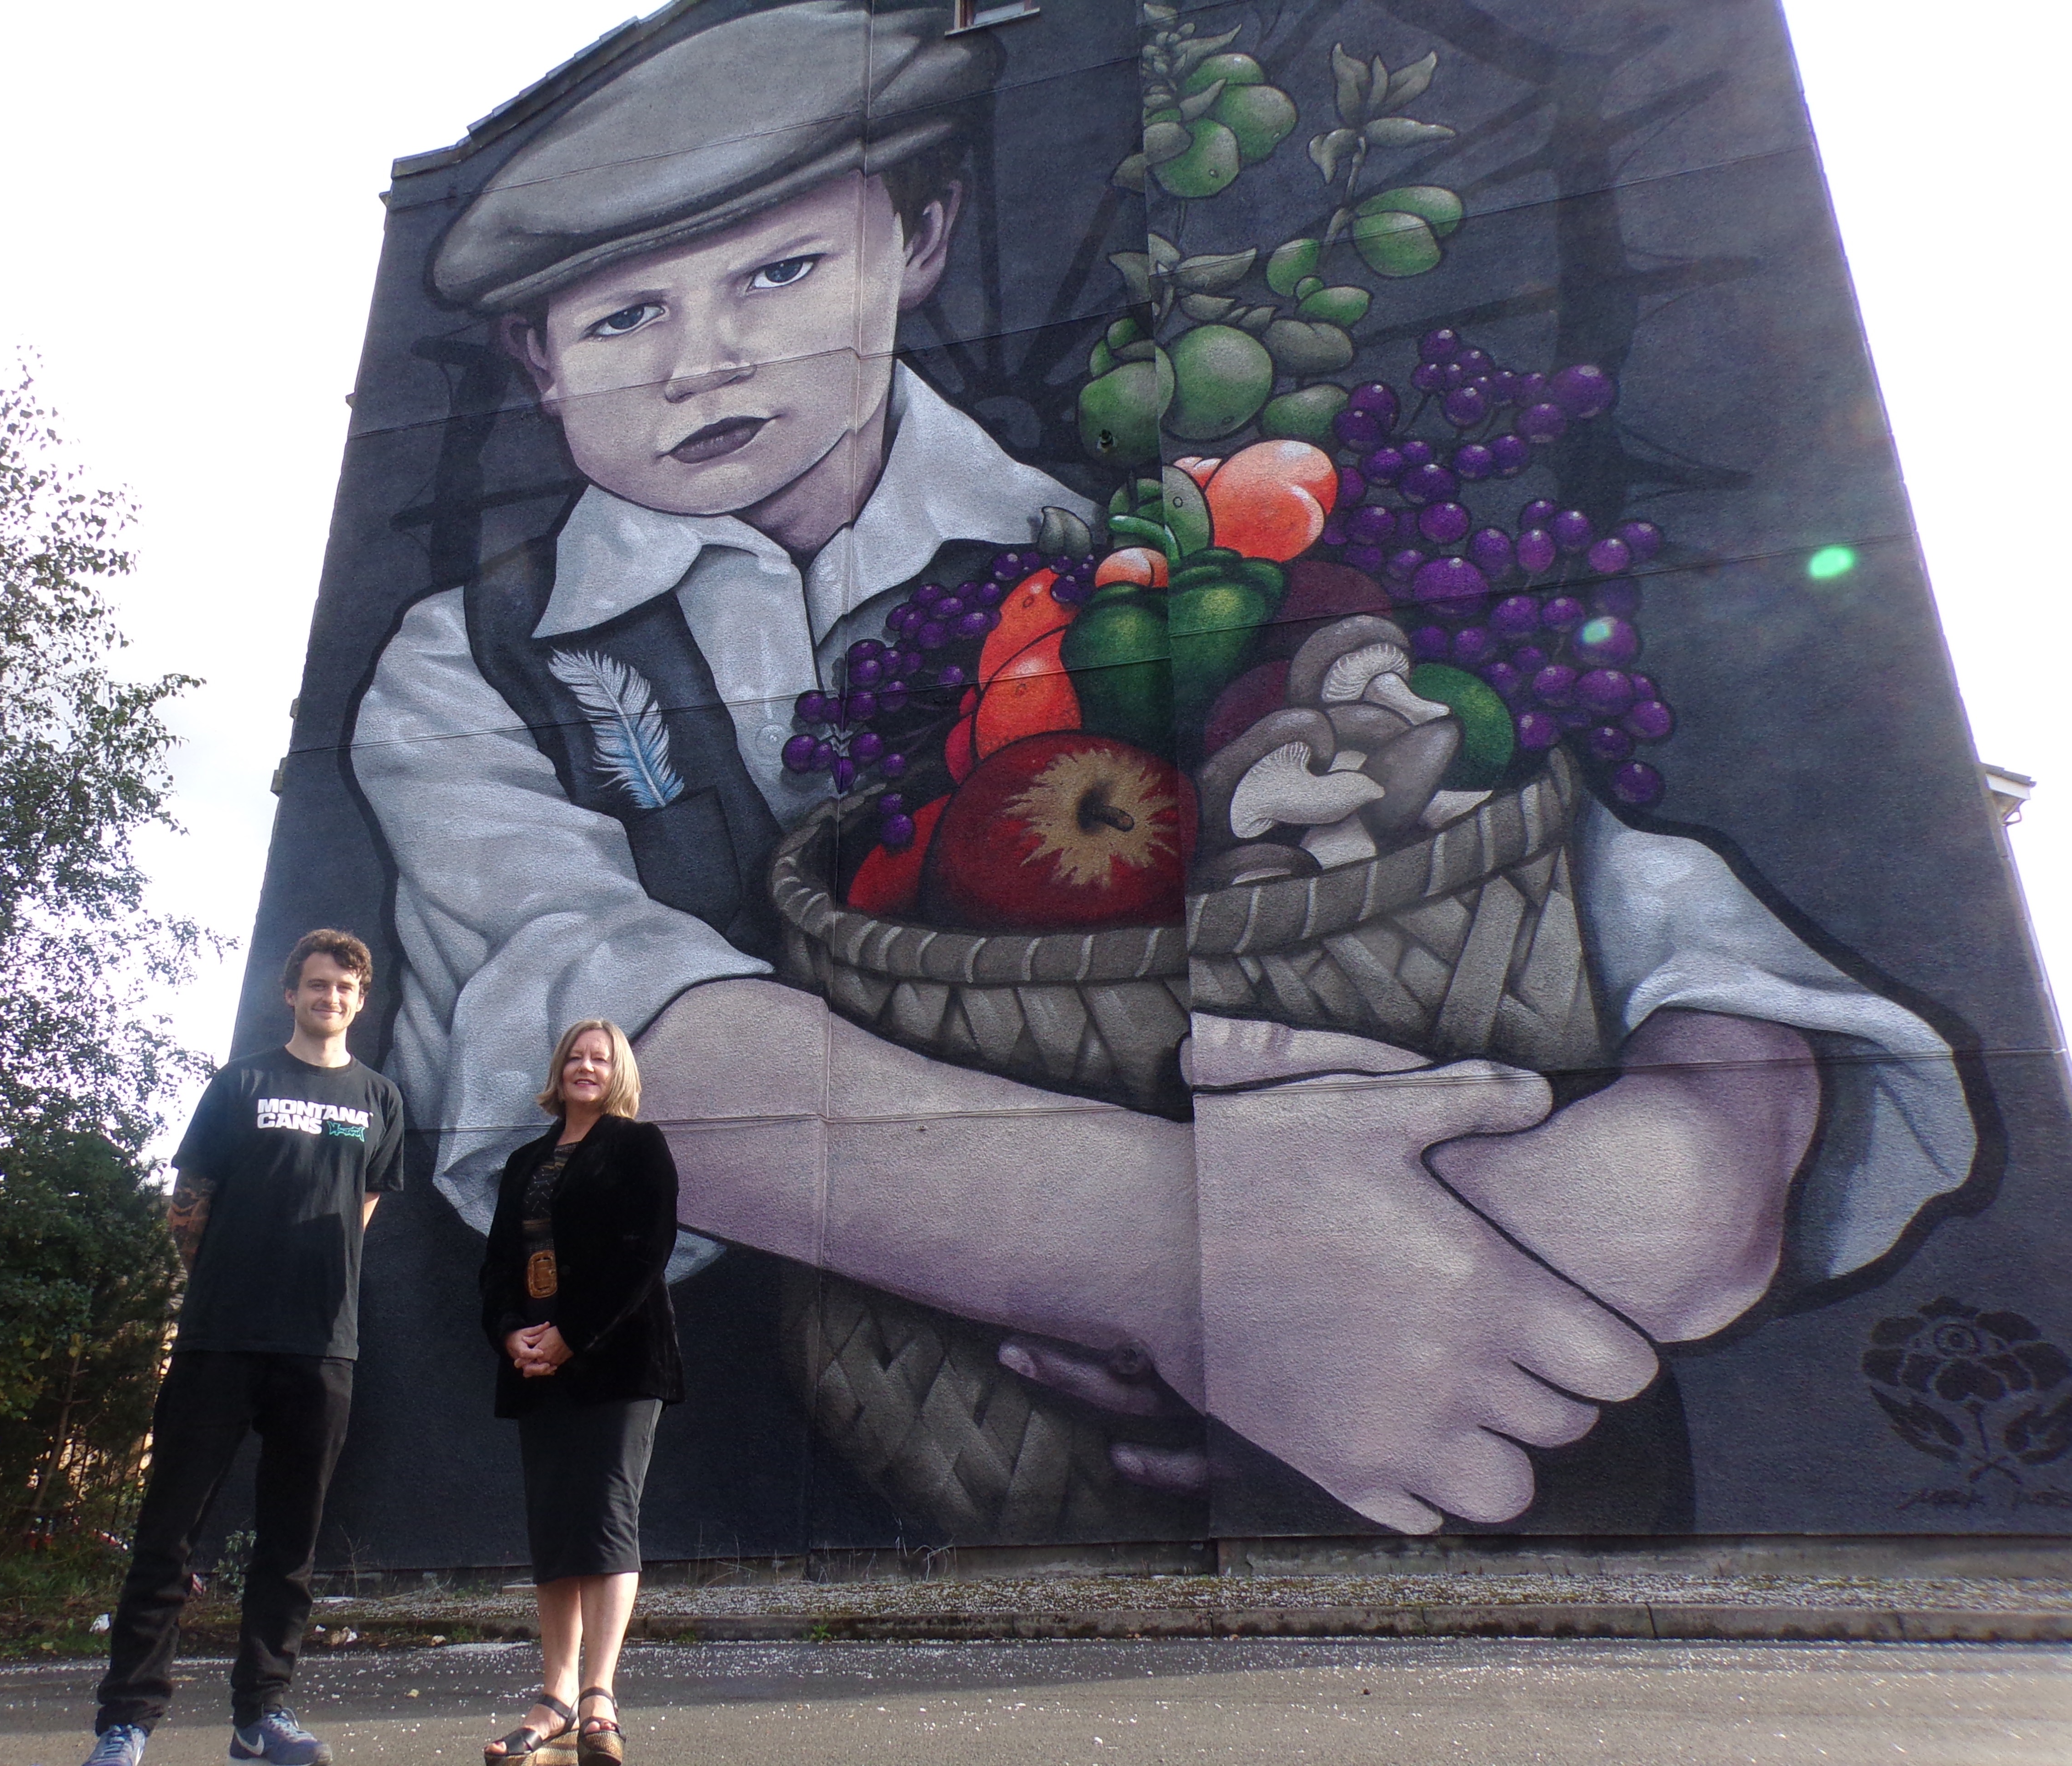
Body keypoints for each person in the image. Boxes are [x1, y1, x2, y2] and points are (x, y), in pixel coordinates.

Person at [351, 0, 1975, 1534]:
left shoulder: (1143, 548)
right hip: (757, 1480)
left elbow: (1567, 867)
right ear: (535, 361)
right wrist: (1168, 1250)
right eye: (624, 316)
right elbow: (572, 1001)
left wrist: (1686, 1154)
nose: (704, 359)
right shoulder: (470, 664)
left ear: (915, 247)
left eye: (779, 273)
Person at [82, 930, 406, 1766]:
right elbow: (188, 1204)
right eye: (314, 985)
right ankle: (126, 1725)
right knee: (167, 1534)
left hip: (322, 1348)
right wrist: (229, 1283)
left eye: (342, 986)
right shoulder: (242, 1082)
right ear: (290, 994)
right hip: (219, 1341)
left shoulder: (381, 1099)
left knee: (289, 1544)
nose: (328, 998)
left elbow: (361, 1212)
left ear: (359, 1000)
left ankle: (259, 1719)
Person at [477, 1020, 681, 1766]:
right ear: (558, 1070)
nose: (586, 1066)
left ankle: (600, 1694)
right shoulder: (524, 1162)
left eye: (601, 1058)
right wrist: (511, 1333)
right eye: (575, 1056)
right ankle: (553, 1697)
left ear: (618, 1072)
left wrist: (572, 1332)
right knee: (556, 1527)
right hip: (537, 1367)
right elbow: (498, 1264)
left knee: (605, 1517)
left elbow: (645, 1253)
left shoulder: (639, 1148)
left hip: (618, 1363)